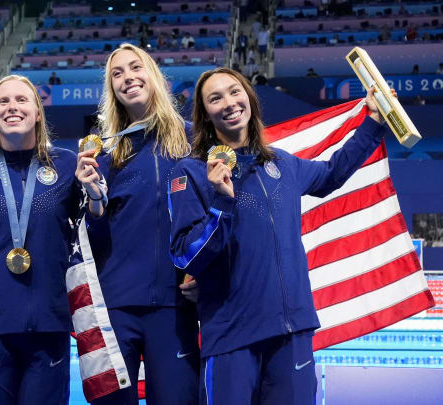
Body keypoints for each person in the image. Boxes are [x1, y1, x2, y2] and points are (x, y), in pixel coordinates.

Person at [168, 67, 392, 404]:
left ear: (249, 99)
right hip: (232, 336)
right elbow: (185, 255)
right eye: (215, 98)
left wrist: (373, 122)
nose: (229, 103)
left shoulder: (283, 165)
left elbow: (332, 173)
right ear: (205, 115)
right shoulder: (192, 172)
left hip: (291, 333)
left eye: (234, 91)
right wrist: (220, 203)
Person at [75, 43, 199, 405]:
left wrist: (205, 273)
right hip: (117, 308)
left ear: (153, 75)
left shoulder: (194, 141)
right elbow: (95, 242)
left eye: (135, 68)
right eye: (117, 74)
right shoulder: (106, 154)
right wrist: (94, 202)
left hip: (176, 306)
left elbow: (217, 214)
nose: (128, 78)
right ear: (111, 89)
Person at [0, 74, 83, 405]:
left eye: (22, 100)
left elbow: (90, 229)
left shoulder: (67, 165)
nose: (12, 107)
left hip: (48, 322)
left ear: (38, 113)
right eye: (4, 101)